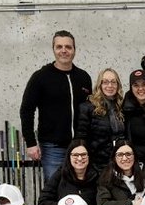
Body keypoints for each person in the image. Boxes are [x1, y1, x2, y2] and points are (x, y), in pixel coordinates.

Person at [20, 30, 93, 181]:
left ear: (74, 50)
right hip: (52, 148)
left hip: (80, 147)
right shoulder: (40, 77)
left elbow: (90, 111)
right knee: (55, 189)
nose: (64, 50)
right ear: (53, 49)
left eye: (68, 47)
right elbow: (27, 110)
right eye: (59, 47)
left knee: (82, 188)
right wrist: (31, 143)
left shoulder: (84, 77)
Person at [75, 68, 126, 171]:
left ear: (118, 85)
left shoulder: (121, 107)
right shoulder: (88, 108)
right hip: (97, 165)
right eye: (105, 82)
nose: (110, 86)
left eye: (113, 82)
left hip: (120, 163)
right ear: (99, 85)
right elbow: (81, 139)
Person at [37, 139, 98, 205]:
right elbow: (43, 202)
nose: (79, 158)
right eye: (75, 155)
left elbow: (102, 204)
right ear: (69, 157)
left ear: (89, 156)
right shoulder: (60, 175)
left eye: (83, 154)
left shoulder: (97, 177)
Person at [97, 140, 145, 205]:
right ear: (114, 158)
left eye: (128, 154)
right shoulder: (106, 177)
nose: (125, 158)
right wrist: (132, 203)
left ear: (134, 156)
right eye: (120, 155)